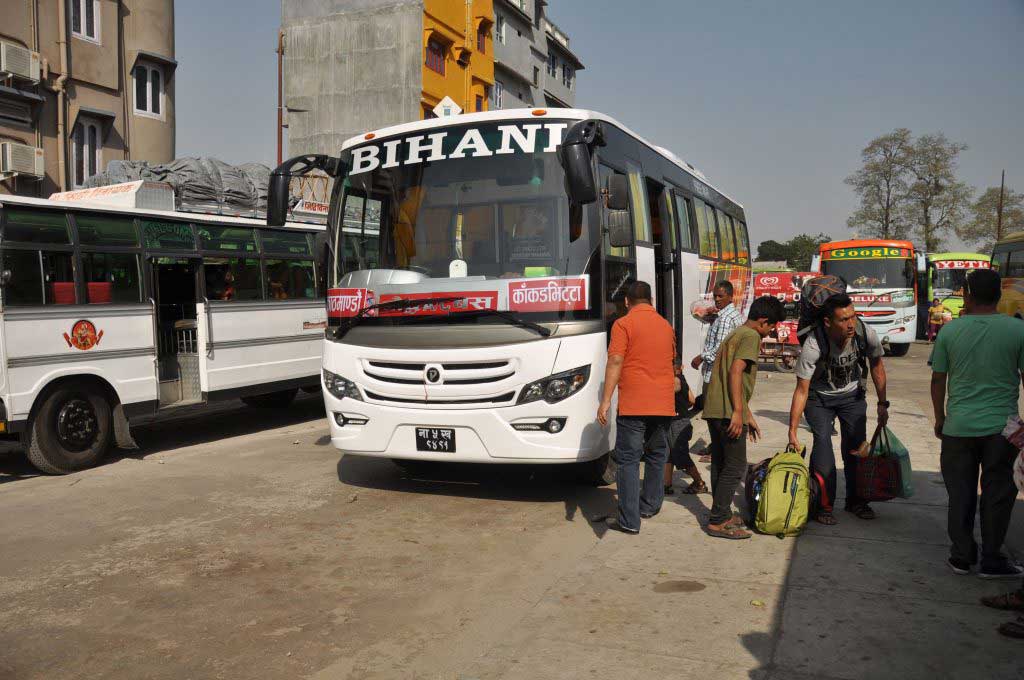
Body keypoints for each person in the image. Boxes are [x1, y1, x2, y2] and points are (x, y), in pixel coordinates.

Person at [930, 268, 1024, 578]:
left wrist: (941, 418)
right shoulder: (1017, 330)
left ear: (967, 295)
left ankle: (961, 557)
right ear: (999, 295)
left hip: (958, 428)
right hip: (1003, 431)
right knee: (997, 496)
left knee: (961, 494)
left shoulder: (949, 331)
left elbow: (938, 379)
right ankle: (993, 560)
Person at [787, 293, 888, 525]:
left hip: (852, 397)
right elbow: (801, 390)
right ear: (827, 322)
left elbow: (877, 366)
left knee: (855, 449)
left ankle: (857, 502)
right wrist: (792, 430)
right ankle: (822, 505)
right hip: (819, 400)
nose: (850, 324)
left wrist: (882, 404)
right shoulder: (814, 344)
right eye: (843, 320)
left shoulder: (865, 333)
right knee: (823, 449)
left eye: (852, 317)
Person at [702, 296, 786, 539]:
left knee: (720, 462)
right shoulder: (750, 337)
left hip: (716, 407)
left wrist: (747, 415)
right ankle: (718, 521)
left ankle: (722, 513)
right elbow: (736, 371)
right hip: (728, 411)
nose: (771, 331)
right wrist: (738, 412)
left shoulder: (736, 333)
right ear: (763, 321)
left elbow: (731, 375)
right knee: (737, 465)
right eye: (772, 326)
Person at [597, 281, 677, 534]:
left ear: (627, 302)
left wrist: (606, 399)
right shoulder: (666, 326)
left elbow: (616, 360)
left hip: (634, 403)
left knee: (628, 461)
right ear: (651, 300)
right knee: (655, 455)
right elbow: (673, 362)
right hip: (663, 404)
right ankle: (650, 505)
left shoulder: (623, 324)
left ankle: (629, 521)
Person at [691, 281, 743, 460]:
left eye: (721, 296)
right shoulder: (726, 315)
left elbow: (721, 348)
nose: (717, 300)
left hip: (715, 374)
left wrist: (701, 357)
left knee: (715, 416)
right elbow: (698, 316)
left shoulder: (726, 319)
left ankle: (718, 452)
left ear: (730, 296)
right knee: (717, 415)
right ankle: (717, 447)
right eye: (715, 296)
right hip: (720, 372)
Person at [661, 364, 706, 495]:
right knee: (668, 454)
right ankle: (666, 485)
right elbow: (692, 400)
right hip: (678, 421)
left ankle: (699, 483)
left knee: (681, 456)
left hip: (677, 424)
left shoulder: (674, 380)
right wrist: (682, 409)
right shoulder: (682, 378)